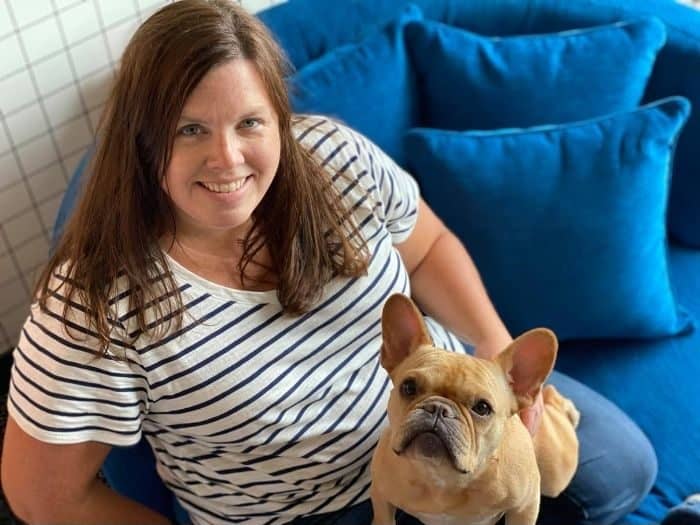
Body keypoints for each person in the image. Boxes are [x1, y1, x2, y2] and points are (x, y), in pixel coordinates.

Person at [1, 1, 657, 524]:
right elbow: (42, 497)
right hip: (314, 508)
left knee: (625, 468)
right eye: (188, 128)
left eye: (250, 123)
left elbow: (430, 248)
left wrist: (495, 354)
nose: (227, 159)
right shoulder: (92, 298)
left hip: (458, 398)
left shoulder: (336, 157)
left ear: (279, 119)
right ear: (140, 138)